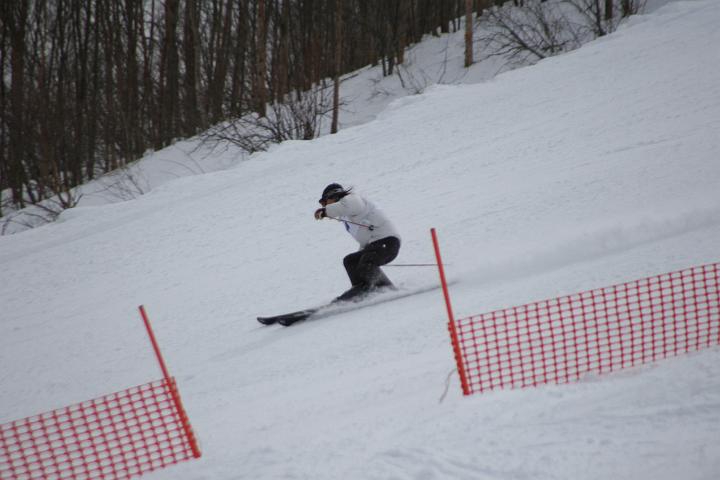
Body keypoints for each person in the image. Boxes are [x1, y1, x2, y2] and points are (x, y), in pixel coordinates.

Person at [314, 183, 401, 302]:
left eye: (324, 202)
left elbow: (348, 206)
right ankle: (363, 289)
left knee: (366, 263)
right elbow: (366, 241)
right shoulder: (348, 217)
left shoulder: (353, 199)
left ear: (334, 196)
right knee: (351, 260)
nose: (324, 205)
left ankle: (378, 290)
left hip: (388, 242)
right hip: (378, 245)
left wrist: (325, 211)